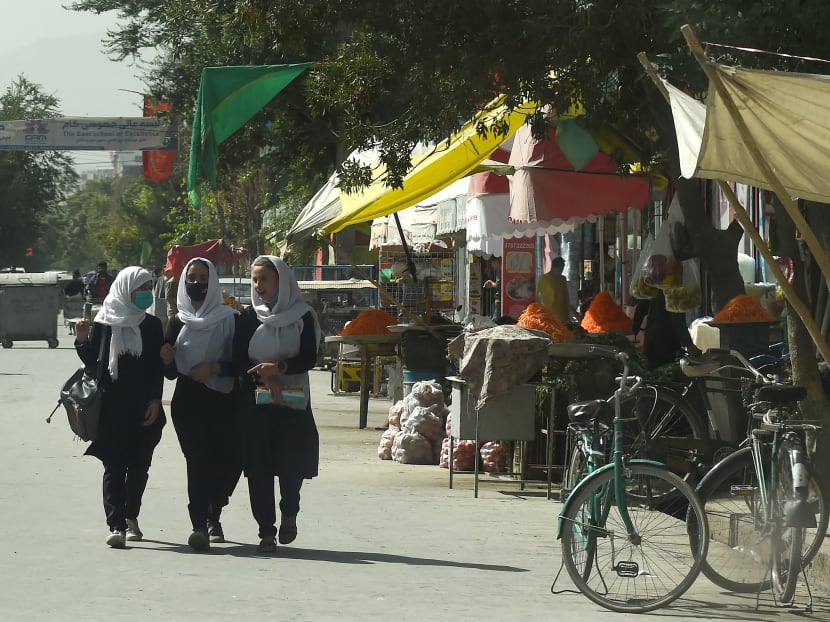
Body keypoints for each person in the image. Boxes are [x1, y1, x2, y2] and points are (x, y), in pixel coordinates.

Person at [232, 255, 321, 553]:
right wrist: (264, 379)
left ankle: (289, 511)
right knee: (258, 468)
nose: (258, 286)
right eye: (255, 280)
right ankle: (266, 531)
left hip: (294, 404)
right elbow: (238, 358)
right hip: (256, 404)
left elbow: (310, 356)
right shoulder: (248, 317)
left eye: (264, 280)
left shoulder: (302, 316)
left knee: (291, 465)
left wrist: (279, 370)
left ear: (281, 282)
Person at [73, 267, 166, 548]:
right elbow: (93, 361)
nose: (146, 294)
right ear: (127, 289)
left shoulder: (151, 325)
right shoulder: (105, 321)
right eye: (141, 288)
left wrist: (154, 401)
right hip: (111, 407)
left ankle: (130, 516)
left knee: (139, 467)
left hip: (143, 407)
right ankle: (116, 525)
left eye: (149, 287)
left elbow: (155, 368)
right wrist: (81, 338)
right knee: (114, 466)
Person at [160, 258, 242, 551]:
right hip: (189, 401)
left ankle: (214, 509)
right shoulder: (177, 321)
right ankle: (200, 524)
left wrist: (215, 368)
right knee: (198, 462)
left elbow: (242, 362)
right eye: (191, 278)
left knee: (229, 461)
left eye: (203, 278)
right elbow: (169, 371)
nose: (197, 284)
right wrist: (167, 360)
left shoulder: (231, 319)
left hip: (224, 400)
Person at [632, 290, 701, 370]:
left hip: (653, 337)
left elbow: (642, 306)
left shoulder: (655, 285)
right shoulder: (674, 291)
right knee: (664, 372)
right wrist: (689, 345)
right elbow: (677, 320)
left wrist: (635, 326)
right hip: (667, 342)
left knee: (653, 371)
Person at [536, 256, 574, 323]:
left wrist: (572, 312)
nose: (561, 272)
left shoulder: (563, 279)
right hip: (549, 316)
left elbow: (566, 298)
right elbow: (536, 295)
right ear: (554, 268)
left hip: (563, 316)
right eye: (560, 269)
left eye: (562, 269)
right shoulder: (544, 279)